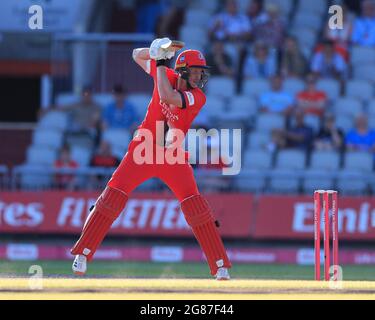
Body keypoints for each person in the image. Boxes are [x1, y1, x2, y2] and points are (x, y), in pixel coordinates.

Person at [71, 38, 231, 280]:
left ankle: (220, 265)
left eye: (201, 72)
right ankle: (82, 253)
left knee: (195, 207)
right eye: (196, 72)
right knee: (110, 199)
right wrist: (156, 50)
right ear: (182, 71)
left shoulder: (197, 97)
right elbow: (136, 54)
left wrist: (159, 60)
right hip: (142, 148)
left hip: (172, 154)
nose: (199, 77)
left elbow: (166, 96)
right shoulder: (165, 72)